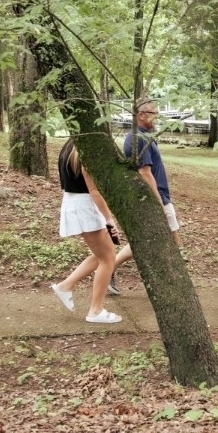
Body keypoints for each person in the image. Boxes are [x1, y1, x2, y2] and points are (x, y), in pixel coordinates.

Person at [107, 99, 181, 293]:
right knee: (172, 238)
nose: (156, 117)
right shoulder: (137, 138)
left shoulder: (143, 136)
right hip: (157, 198)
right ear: (141, 115)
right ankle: (174, 282)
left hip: (159, 196)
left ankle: (109, 270)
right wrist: (159, 202)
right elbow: (145, 173)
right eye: (154, 114)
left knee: (150, 239)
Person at [49, 138, 122, 324]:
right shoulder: (86, 148)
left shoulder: (70, 145)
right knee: (107, 259)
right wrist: (109, 219)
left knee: (103, 255)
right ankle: (95, 311)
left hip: (76, 202)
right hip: (84, 206)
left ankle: (66, 286)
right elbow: (94, 190)